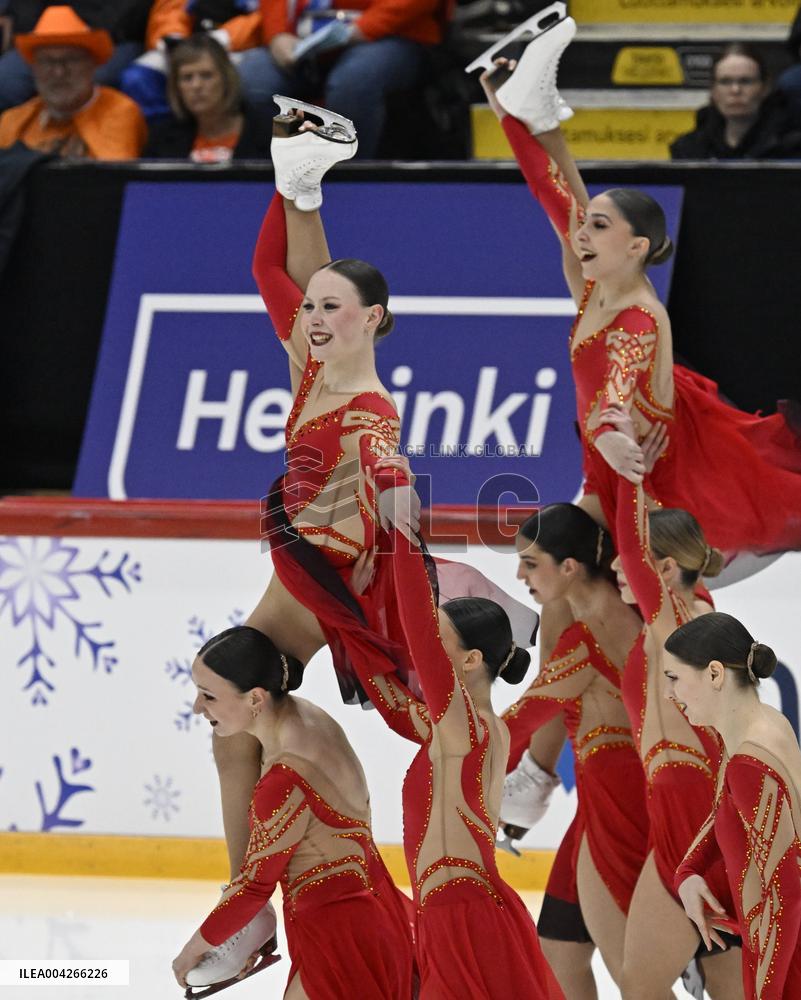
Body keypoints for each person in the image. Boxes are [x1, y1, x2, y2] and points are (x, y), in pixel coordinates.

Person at [215, 100, 536, 884]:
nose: (313, 317)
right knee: (229, 711)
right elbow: (269, 271)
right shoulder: (313, 361)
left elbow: (386, 474)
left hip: (353, 590)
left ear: (374, 320)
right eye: (313, 307)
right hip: (302, 579)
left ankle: (472, 848)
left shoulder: (368, 411)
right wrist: (292, 186)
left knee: (437, 723)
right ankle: (248, 880)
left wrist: (394, 498)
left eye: (332, 309)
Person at [476, 19, 801, 558]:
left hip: (650, 477)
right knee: (563, 573)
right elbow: (550, 189)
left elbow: (617, 388)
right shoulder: (594, 282)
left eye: (600, 226)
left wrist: (608, 431)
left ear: (638, 246)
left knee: (592, 576)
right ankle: (538, 107)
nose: (583, 232)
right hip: (613, 460)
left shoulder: (638, 316)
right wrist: (505, 111)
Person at [346, 533, 564, 998]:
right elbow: (387, 697)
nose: (417, 646)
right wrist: (350, 611)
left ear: (470, 659)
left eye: (434, 639)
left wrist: (399, 531)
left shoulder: (466, 727)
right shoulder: (453, 730)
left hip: (463, 917)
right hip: (447, 913)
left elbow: (417, 628)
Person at [172, 625, 415, 997]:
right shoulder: (312, 720)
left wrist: (189, 954)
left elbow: (253, 888)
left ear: (255, 698)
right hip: (374, 914)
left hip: (340, 940)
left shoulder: (285, 777)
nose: (197, 708)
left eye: (208, 696)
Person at [599, 406, 744, 999]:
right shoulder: (677, 608)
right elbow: (655, 544)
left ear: (662, 569)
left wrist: (624, 471)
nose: (614, 567)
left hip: (703, 815)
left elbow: (637, 548)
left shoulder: (680, 621)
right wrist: (642, 470)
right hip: (670, 817)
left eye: (628, 560)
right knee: (641, 985)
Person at [501, 503, 648, 993]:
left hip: (624, 808)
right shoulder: (607, 613)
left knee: (638, 971)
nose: (519, 574)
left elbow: (520, 722)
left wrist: (456, 755)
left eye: (531, 562)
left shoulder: (589, 637)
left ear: (569, 567)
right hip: (604, 797)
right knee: (560, 950)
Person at [667, 614, 801, 999]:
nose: (669, 694)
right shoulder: (761, 726)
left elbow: (785, 895)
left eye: (674, 678)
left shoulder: (748, 763)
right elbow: (725, 807)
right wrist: (688, 871)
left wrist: (765, 993)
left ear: (714, 674)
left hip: (785, 962)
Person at [257, 0, 444, 158]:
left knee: (353, 84)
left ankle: (351, 184)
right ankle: (260, 185)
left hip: (391, 33)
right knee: (255, 85)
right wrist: (276, 34)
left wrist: (361, 29)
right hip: (299, 38)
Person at [0, 5, 146, 158]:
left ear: (92, 64)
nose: (59, 72)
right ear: (33, 68)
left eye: (71, 60)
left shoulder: (120, 112)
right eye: (47, 62)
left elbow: (110, 176)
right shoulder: (12, 122)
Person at [119, 0, 271, 121]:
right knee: (139, 77)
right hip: (187, 42)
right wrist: (174, 38)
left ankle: (236, 139)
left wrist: (221, 39)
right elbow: (170, 9)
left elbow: (268, 16)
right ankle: (167, 138)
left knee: (251, 78)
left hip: (238, 47)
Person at [0, 0, 150, 113]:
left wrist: (84, 33)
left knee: (92, 80)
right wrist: (35, 31)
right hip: (46, 35)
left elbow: (132, 8)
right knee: (5, 81)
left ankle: (87, 141)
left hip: (112, 38)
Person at [144, 33, 268, 161]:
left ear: (226, 79)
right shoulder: (161, 139)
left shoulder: (271, 135)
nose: (196, 86)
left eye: (206, 75)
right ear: (177, 88)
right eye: (187, 78)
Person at [671, 44, 801, 161]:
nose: (735, 90)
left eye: (746, 81)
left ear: (765, 88)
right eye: (725, 82)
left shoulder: (792, 145)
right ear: (713, 90)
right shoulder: (688, 150)